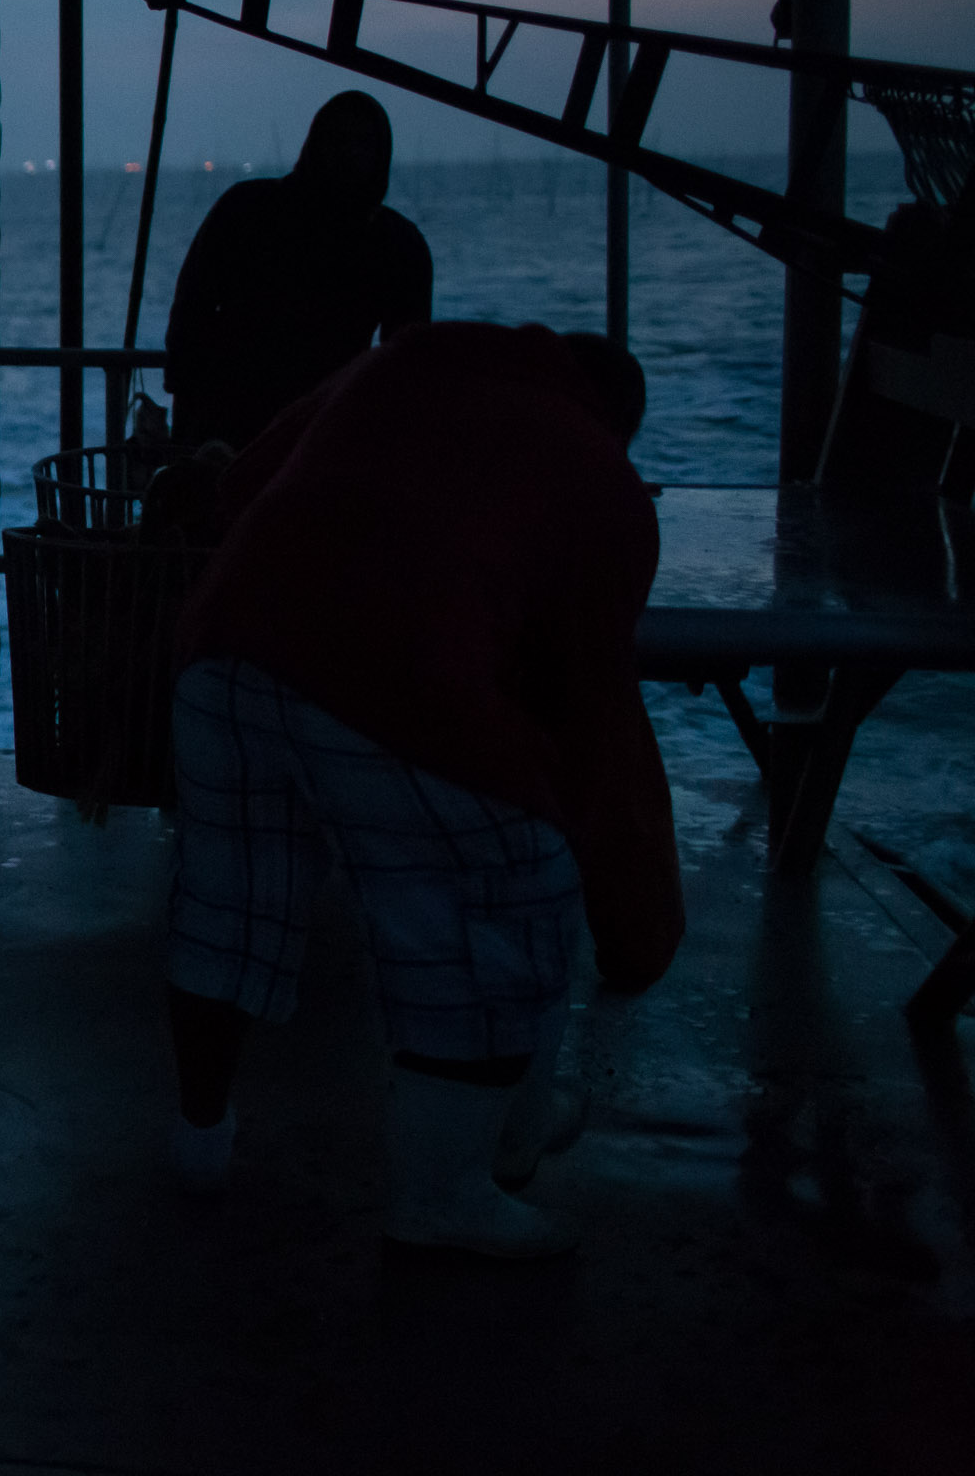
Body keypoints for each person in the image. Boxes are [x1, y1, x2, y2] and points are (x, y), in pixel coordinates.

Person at [161, 322, 676, 1259]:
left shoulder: (406, 359)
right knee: (505, 898)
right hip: (393, 676)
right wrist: (633, 914)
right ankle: (447, 1193)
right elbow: (594, 713)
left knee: (225, 906)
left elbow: (243, 485)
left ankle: (198, 1142)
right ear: (618, 426)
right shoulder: (605, 483)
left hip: (229, 644)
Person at [161, 91, 432, 447]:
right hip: (268, 435)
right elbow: (189, 319)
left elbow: (404, 367)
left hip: (318, 438)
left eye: (363, 144)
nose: (350, 153)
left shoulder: (398, 245)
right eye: (341, 140)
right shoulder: (396, 242)